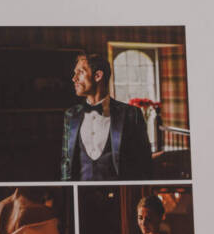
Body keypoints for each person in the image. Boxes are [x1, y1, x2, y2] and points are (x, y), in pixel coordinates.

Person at [60, 53, 153, 181]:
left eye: (80, 72)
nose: (74, 78)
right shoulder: (70, 115)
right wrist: (68, 195)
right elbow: (66, 162)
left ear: (98, 76)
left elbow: (143, 163)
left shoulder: (131, 114)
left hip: (119, 197)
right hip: (79, 196)